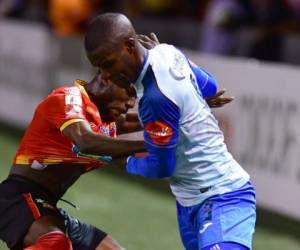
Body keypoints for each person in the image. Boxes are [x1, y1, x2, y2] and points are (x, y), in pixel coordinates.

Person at [84, 13, 256, 250]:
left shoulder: (155, 97)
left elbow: (162, 166)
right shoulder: (166, 52)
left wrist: (125, 163)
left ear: (130, 46)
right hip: (190, 202)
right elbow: (209, 86)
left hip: (222, 197)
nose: (105, 74)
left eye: (109, 63)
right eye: (100, 67)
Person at [0, 72, 145, 250]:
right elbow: (85, 141)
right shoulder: (68, 99)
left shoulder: (105, 121)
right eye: (129, 92)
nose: (131, 103)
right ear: (106, 78)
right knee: (55, 243)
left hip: (48, 210)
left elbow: (142, 123)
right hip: (17, 198)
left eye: (135, 96)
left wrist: (177, 119)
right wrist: (151, 145)